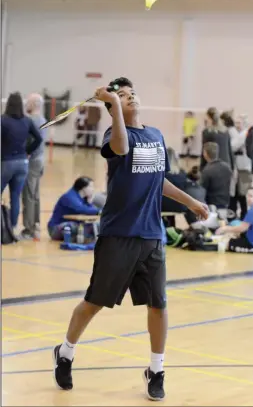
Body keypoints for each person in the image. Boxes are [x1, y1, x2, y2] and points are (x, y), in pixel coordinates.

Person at [52, 77, 209, 401]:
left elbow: (158, 178)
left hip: (151, 235)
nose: (131, 97)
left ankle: (157, 369)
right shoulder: (114, 134)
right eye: (122, 96)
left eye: (132, 93)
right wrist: (112, 106)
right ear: (113, 108)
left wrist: (190, 202)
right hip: (118, 235)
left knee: (158, 304)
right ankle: (66, 352)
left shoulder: (155, 135)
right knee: (94, 303)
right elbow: (122, 147)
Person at [1, 92, 42, 230]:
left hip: (6, 162)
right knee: (15, 198)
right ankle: (12, 228)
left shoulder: (3, 120)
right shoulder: (27, 120)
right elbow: (39, 139)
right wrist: (27, 151)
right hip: (23, 163)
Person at [216, 186, 253, 254]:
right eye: (247, 196)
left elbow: (242, 228)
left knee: (224, 244)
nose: (247, 198)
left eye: (251, 196)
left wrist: (224, 228)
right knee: (236, 230)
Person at [20, 93, 47, 240]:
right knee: (35, 194)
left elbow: (30, 141)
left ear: (33, 104)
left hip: (32, 161)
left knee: (28, 195)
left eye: (28, 103)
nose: (26, 105)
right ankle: (35, 224)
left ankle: (28, 229)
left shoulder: (31, 120)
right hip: (40, 160)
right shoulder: (43, 119)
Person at [47, 176, 99, 241]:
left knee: (96, 225)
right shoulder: (69, 196)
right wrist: (99, 211)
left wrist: (89, 203)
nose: (93, 189)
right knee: (74, 227)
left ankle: (84, 238)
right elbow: (82, 209)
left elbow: (90, 211)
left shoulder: (83, 198)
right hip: (56, 228)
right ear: (83, 188)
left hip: (73, 225)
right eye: (91, 186)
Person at [228, 116, 253, 220]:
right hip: (235, 167)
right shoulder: (234, 133)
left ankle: (243, 216)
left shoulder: (245, 133)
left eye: (239, 123)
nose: (237, 125)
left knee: (243, 193)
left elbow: (233, 146)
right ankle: (233, 215)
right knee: (234, 193)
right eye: (236, 123)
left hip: (244, 167)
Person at [200, 142, 232, 211]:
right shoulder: (227, 167)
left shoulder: (207, 170)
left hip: (212, 205)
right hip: (226, 203)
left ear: (205, 154)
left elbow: (202, 189)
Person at [200, 107, 234, 172]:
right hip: (226, 165)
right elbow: (230, 150)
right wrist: (232, 168)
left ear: (209, 118)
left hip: (213, 167)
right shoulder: (225, 131)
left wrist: (201, 169)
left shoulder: (207, 132)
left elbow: (204, 152)